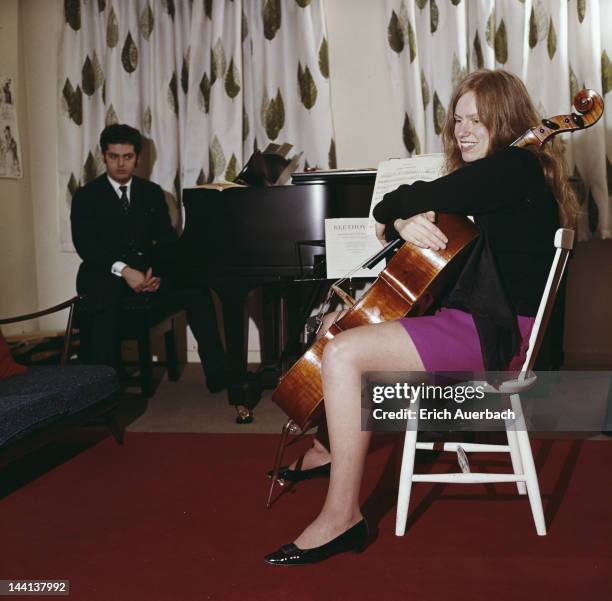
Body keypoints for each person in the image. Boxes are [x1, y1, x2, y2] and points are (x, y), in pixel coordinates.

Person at [264, 69, 577, 565]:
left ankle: (342, 516)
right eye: (457, 120)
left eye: (478, 119)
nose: (464, 130)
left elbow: (398, 198)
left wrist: (404, 215)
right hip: (476, 320)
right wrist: (404, 218)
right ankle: (328, 448)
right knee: (336, 330)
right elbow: (399, 204)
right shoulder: (499, 178)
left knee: (344, 353)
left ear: (507, 121)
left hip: (496, 335)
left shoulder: (514, 166)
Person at [71, 123, 227, 394]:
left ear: (138, 158)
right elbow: (87, 247)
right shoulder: (86, 196)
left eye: (128, 157)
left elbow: (166, 242)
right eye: (114, 157)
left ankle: (218, 375)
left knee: (197, 290)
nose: (121, 164)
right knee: (102, 300)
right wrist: (125, 271)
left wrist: (157, 274)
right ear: (103, 156)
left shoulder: (152, 193)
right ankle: (102, 391)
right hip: (106, 278)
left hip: (148, 279)